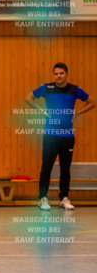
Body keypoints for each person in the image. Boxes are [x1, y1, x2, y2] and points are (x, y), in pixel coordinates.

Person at [25, 63, 94, 210]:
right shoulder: (47, 88)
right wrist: (41, 111)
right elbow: (28, 98)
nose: (58, 76)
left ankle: (64, 198)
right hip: (50, 135)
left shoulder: (75, 89)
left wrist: (78, 113)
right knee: (46, 167)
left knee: (65, 169)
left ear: (66, 74)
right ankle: (43, 198)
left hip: (67, 136)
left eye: (61, 73)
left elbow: (92, 102)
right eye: (56, 74)